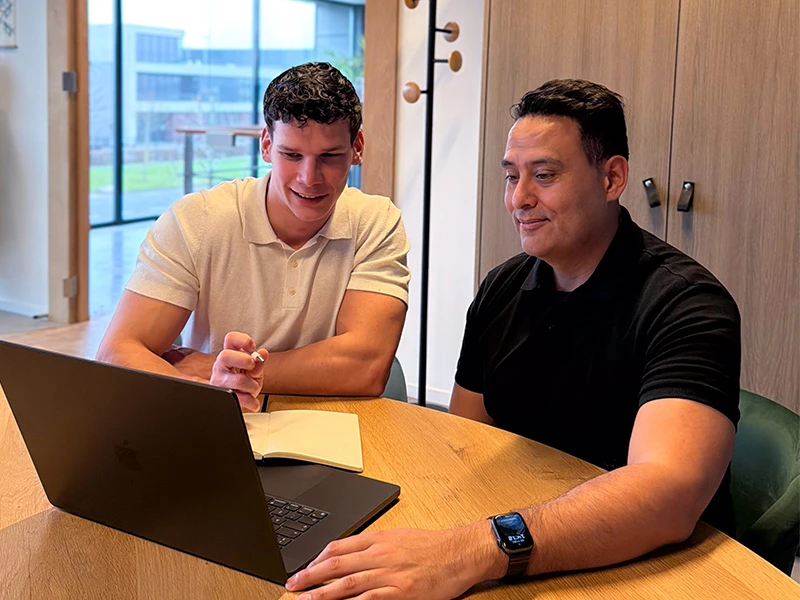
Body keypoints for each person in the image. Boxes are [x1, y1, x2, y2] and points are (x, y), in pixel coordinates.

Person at [284, 79, 741, 599]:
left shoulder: (688, 305)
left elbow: (667, 493)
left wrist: (472, 549)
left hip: (650, 567)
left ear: (612, 177)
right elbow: (467, 441)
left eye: (544, 176)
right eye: (511, 177)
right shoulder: (504, 285)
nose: (519, 200)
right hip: (527, 553)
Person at [96, 62, 410, 410]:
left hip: (334, 422)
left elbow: (365, 368)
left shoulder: (376, 222)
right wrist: (212, 392)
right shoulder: (196, 220)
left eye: (330, 157)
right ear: (266, 145)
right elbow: (117, 351)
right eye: (291, 155)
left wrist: (220, 365)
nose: (309, 177)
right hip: (214, 414)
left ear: (357, 149)